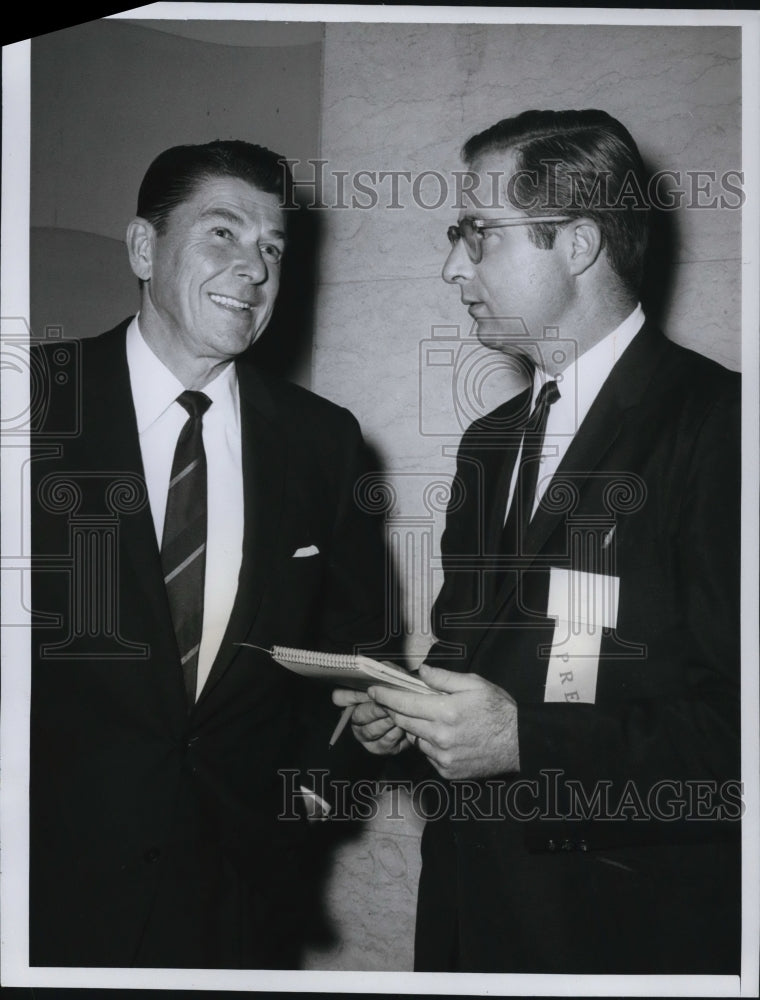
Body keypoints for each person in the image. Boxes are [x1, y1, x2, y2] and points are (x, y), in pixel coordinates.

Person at [335, 109, 741, 974]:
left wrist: (526, 742)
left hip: (627, 943)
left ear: (580, 242)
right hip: (468, 919)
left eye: (476, 233)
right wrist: (410, 709)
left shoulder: (724, 428)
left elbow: (738, 737)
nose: (452, 266)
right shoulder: (490, 442)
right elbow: (487, 658)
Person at [30, 140, 390, 969]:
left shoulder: (323, 442)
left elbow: (356, 652)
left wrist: (309, 792)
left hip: (239, 902)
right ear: (144, 248)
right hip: (40, 889)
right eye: (224, 234)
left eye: (272, 248)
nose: (254, 270)